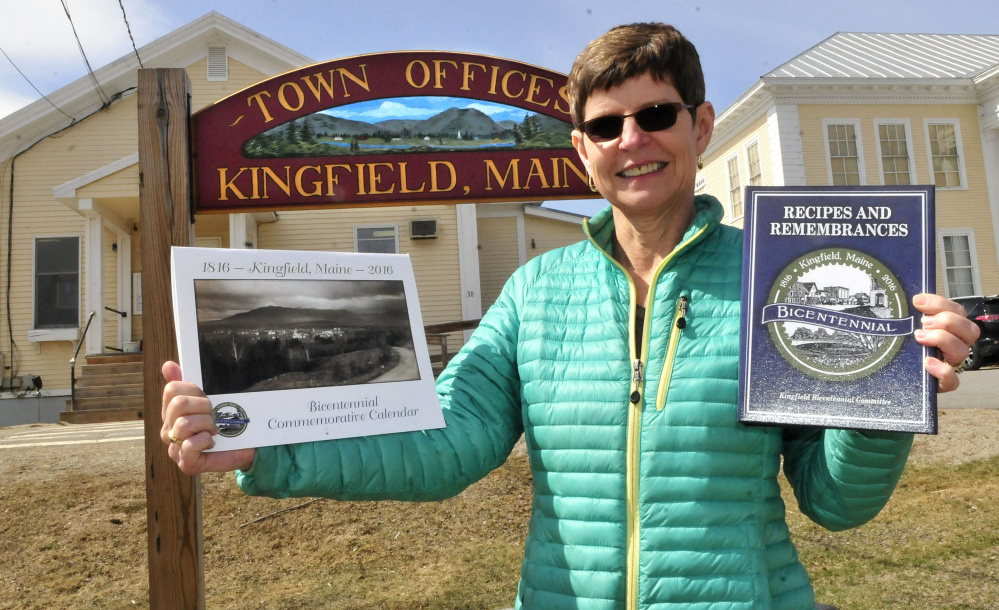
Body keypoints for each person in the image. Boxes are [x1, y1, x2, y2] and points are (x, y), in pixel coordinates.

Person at [161, 23, 980, 609]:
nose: (632, 139)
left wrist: (885, 395)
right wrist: (263, 442)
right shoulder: (535, 291)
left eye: (655, 115)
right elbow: (447, 444)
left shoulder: (782, 281)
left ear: (698, 126)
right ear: (581, 151)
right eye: (604, 125)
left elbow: (835, 504)